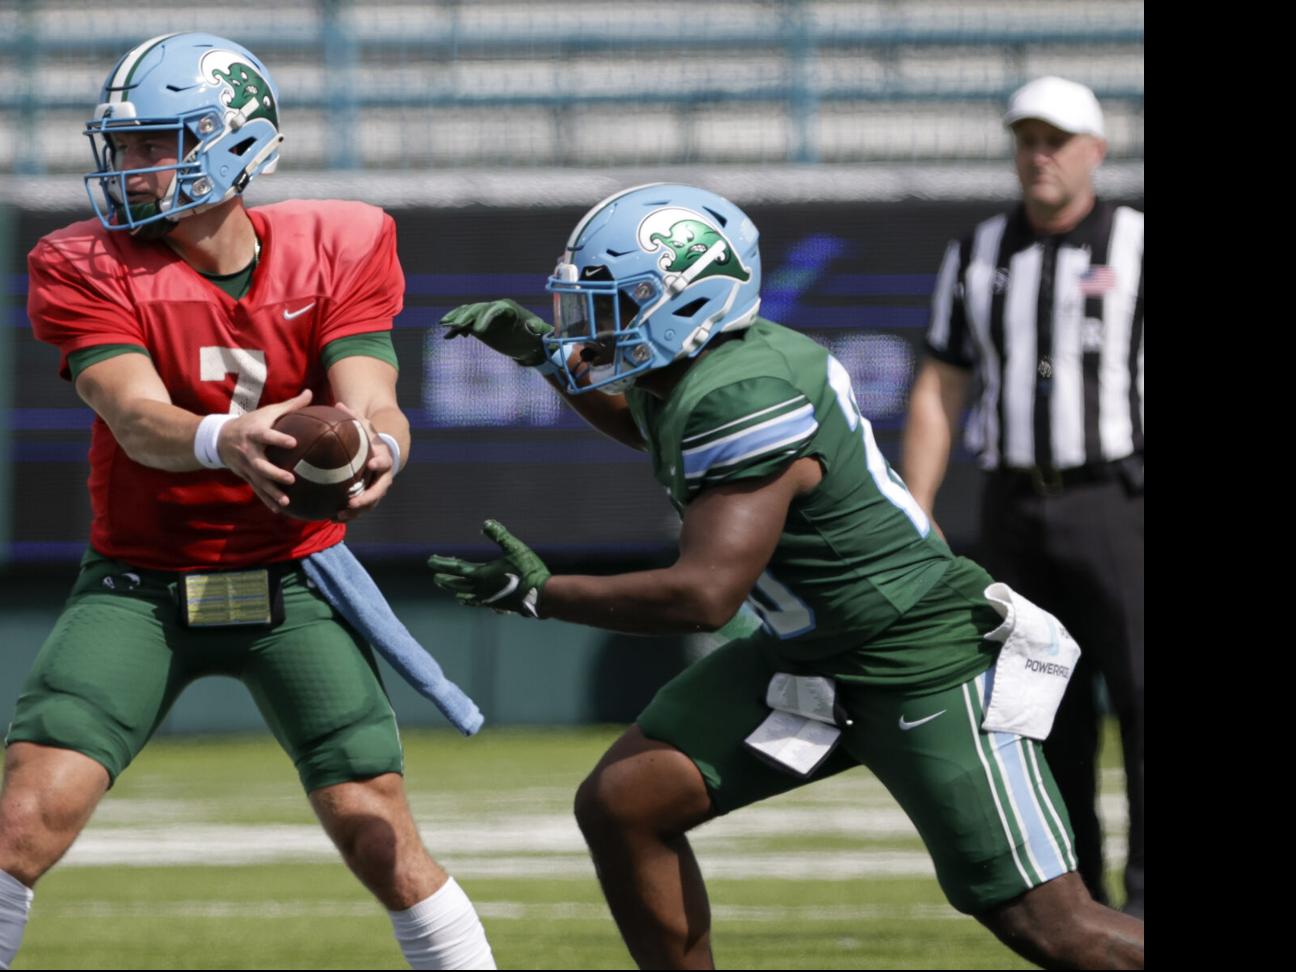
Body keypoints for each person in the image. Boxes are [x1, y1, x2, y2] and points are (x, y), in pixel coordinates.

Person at [430, 182, 1144, 969]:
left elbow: (705, 594)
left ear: (688, 299)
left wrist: (545, 594)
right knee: (624, 803)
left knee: (1054, 927)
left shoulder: (745, 393)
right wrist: (545, 358)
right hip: (816, 655)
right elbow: (648, 422)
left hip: (917, 657)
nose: (591, 327)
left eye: (615, 303)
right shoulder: (705, 366)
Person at [0, 33, 494, 970]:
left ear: (233, 145)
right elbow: (135, 415)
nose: (133, 168)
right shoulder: (82, 261)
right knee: (25, 815)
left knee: (375, 826)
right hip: (141, 583)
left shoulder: (338, 243)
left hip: (295, 579)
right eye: (127, 146)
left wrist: (379, 447)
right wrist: (224, 436)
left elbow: (371, 398)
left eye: (157, 145)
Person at [900, 76, 1144, 917]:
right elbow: (941, 382)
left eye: (1056, 140)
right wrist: (920, 505)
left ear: (1095, 152)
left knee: (1142, 695)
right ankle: (1081, 901)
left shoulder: (1137, 243)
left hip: (1118, 497)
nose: (1039, 156)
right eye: (1027, 139)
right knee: (1043, 708)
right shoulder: (977, 252)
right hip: (1014, 504)